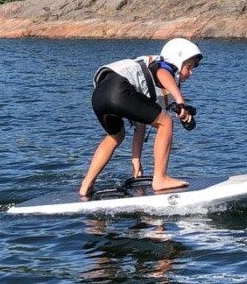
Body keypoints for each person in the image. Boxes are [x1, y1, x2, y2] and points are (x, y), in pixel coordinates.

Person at [80, 38, 202, 197]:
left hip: (99, 96)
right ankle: (160, 179)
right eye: (189, 67)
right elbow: (162, 73)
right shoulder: (164, 65)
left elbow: (140, 125)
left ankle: (86, 185)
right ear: (178, 60)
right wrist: (180, 101)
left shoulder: (143, 82)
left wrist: (136, 160)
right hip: (119, 90)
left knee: (115, 136)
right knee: (166, 122)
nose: (191, 73)